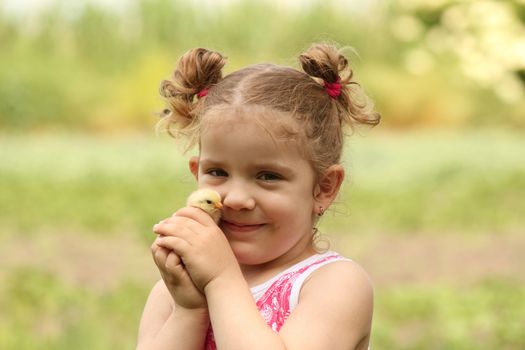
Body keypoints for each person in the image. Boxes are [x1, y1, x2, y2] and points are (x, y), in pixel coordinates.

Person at [137, 43, 380, 350]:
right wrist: (189, 309)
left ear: (324, 187)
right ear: (197, 173)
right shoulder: (173, 291)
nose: (236, 199)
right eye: (218, 173)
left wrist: (222, 279)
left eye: (268, 176)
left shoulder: (335, 285)